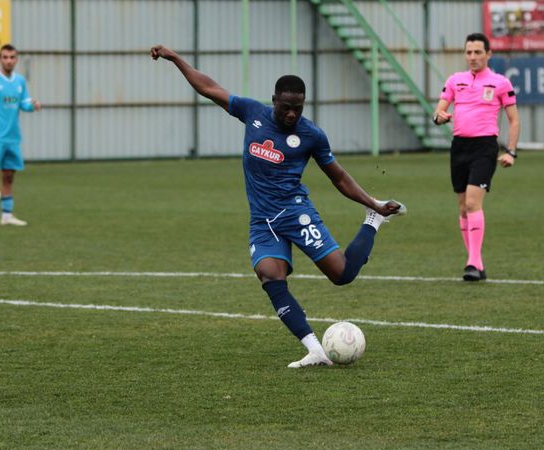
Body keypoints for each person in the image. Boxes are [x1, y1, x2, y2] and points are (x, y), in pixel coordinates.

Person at [151, 44, 405, 368]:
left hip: (295, 213)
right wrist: (175, 59)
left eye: (297, 108)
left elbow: (339, 177)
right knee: (270, 275)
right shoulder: (252, 113)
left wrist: (374, 204)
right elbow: (209, 88)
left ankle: (372, 221)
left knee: (342, 275)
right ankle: (315, 349)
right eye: (286, 107)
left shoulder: (312, 135)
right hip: (263, 220)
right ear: (274, 100)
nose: (291, 115)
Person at [433, 33, 520, 281]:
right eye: (469, 52)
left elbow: (514, 120)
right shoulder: (455, 80)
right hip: (459, 147)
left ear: (488, 54)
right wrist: (439, 117)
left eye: (478, 52)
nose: (472, 57)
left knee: (472, 203)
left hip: (485, 148)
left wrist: (511, 151)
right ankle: (477, 264)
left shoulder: (500, 83)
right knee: (462, 207)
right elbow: (438, 111)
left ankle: (472, 262)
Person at [0, 44, 41, 228]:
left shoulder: (20, 81)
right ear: (0, 59)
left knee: (9, 176)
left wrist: (33, 106)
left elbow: (24, 104)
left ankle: (7, 215)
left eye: (12, 57)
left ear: (16, 59)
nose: (9, 61)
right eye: (5, 57)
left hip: (13, 137)